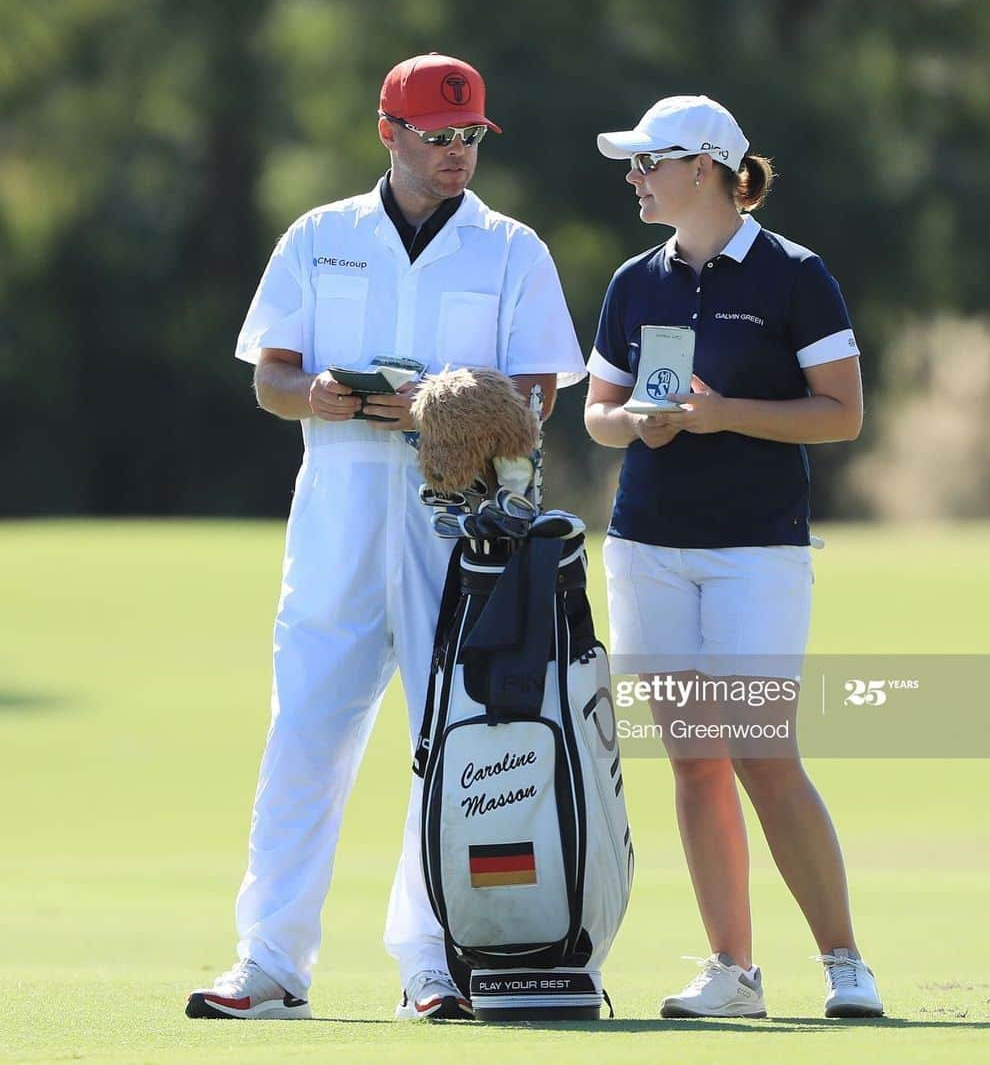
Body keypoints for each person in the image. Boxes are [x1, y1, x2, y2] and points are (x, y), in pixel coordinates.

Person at [186, 53, 584, 1022]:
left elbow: (540, 392)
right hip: (338, 510)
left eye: (471, 137)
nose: (458, 154)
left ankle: (435, 966)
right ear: (389, 132)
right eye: (439, 136)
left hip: (459, 517)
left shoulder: (512, 249)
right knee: (305, 737)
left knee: (447, 741)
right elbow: (272, 378)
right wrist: (316, 395)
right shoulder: (322, 236)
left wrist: (463, 407)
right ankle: (271, 963)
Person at [584, 95, 884, 1019]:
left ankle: (844, 962)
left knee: (762, 749)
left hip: (756, 550)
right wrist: (639, 424)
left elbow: (842, 412)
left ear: (705, 167)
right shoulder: (637, 280)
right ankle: (733, 972)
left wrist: (722, 416)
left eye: (648, 162)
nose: (633, 177)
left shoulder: (796, 275)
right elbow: (598, 414)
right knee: (693, 758)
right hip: (647, 548)